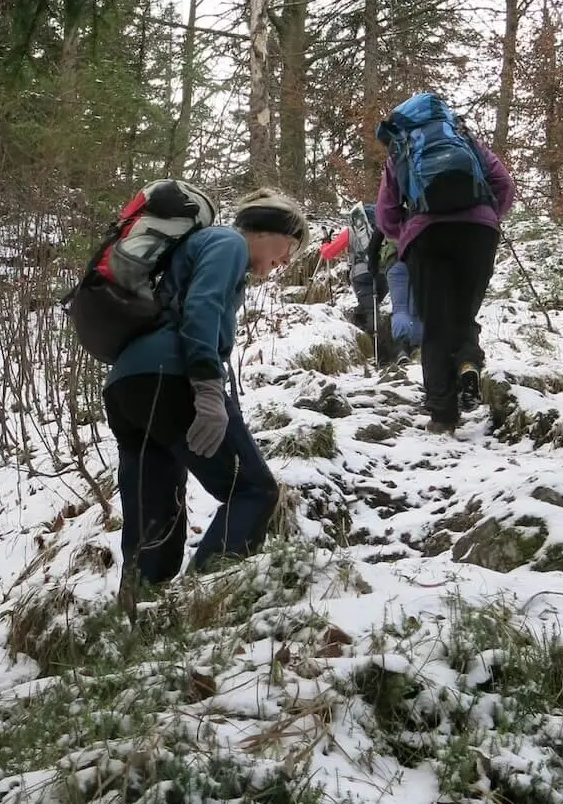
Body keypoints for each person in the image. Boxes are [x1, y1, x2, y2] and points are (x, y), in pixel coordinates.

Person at [103, 188, 308, 599]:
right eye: (290, 246)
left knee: (153, 511)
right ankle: (205, 604)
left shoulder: (198, 248)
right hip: (173, 375)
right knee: (253, 489)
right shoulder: (228, 242)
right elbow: (203, 307)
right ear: (267, 230)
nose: (286, 261)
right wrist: (208, 389)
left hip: (129, 385)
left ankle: (142, 615)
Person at [375, 111, 515, 432]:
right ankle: (468, 361)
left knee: (435, 325)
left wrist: (406, 234)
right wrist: (488, 216)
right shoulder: (466, 141)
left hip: (426, 236)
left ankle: (443, 417)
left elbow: (385, 216)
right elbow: (504, 184)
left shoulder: (402, 149)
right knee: (463, 313)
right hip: (479, 233)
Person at [319, 209, 423, 359]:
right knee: (380, 306)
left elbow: (328, 253)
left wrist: (324, 245)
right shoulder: (380, 226)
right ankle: (411, 345)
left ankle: (380, 353)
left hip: (361, 275)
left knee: (371, 311)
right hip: (381, 273)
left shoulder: (351, 231)